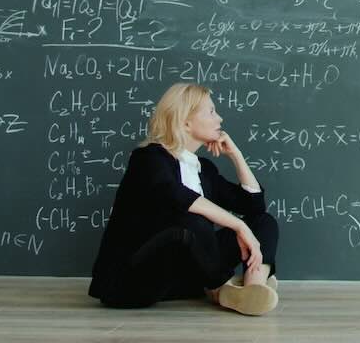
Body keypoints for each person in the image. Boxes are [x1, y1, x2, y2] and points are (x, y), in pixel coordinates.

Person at [88, 82, 280, 315]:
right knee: (191, 222)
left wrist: (236, 155)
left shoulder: (202, 169)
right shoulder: (148, 158)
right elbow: (180, 198)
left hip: (184, 281)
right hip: (131, 281)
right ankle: (224, 288)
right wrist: (239, 226)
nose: (219, 118)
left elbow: (253, 206)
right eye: (211, 111)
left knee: (262, 221)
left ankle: (253, 288)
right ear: (186, 121)